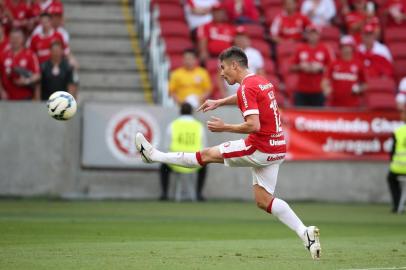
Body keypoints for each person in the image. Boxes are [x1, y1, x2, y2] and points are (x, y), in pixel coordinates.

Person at [135, 46, 321, 260]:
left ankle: (154, 156)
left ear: (235, 65)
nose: (221, 73)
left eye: (223, 68)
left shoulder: (246, 88)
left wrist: (224, 127)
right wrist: (219, 102)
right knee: (263, 199)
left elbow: (253, 125)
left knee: (206, 156)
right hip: (277, 148)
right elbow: (245, 98)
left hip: (259, 147)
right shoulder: (261, 81)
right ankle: (304, 232)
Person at [160, 102, 208, 201]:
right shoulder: (198, 126)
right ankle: (198, 194)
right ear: (192, 112)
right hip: (194, 163)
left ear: (180, 111)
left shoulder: (173, 125)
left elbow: (166, 146)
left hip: (176, 162)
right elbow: (204, 147)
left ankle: (164, 194)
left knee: (163, 167)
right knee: (205, 166)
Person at [290, 24, 334, 106]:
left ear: (319, 35)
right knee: (300, 115)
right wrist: (301, 67)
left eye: (315, 34)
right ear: (307, 35)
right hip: (302, 89)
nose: (312, 36)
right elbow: (291, 67)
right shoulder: (300, 49)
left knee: (318, 116)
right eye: (310, 33)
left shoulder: (324, 49)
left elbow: (331, 67)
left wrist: (320, 68)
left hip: (318, 89)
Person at [322, 35, 366, 107]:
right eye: (343, 47)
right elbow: (325, 80)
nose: (346, 49)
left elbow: (365, 84)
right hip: (335, 104)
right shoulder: (333, 64)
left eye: (348, 47)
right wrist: (326, 89)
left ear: (352, 48)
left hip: (353, 105)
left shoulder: (358, 64)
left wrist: (359, 88)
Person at [0, 27, 40, 100]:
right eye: (12, 38)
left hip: (25, 97)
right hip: (7, 98)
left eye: (17, 38)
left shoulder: (30, 55)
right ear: (9, 39)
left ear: (22, 39)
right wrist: (1, 91)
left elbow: (37, 75)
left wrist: (26, 81)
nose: (15, 40)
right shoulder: (3, 55)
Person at [387, 109, 406, 213]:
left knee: (391, 179)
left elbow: (392, 152)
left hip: (398, 168)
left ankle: (397, 205)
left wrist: (392, 162)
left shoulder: (398, 131)